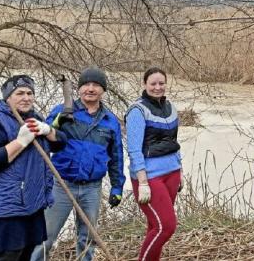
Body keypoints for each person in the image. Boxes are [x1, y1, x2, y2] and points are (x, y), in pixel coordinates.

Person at [31, 67, 125, 261]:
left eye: (96, 85)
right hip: (62, 185)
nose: (90, 89)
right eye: (86, 85)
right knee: (45, 237)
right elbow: (42, 138)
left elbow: (116, 156)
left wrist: (117, 187)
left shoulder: (110, 121)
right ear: (79, 89)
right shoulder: (64, 110)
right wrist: (57, 122)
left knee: (88, 238)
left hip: (92, 189)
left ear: (103, 90)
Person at [0, 75, 67, 261]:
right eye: (19, 93)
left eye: (29, 93)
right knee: (8, 255)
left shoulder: (35, 118)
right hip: (7, 205)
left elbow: (60, 144)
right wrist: (20, 142)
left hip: (33, 203)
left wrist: (48, 130)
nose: (26, 97)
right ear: (7, 97)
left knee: (28, 252)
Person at [125, 67, 182, 261]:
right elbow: (133, 149)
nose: (157, 87)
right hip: (150, 177)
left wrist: (179, 169)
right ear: (145, 85)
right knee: (166, 226)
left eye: (161, 83)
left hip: (172, 173)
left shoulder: (171, 108)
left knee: (155, 226)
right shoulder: (137, 111)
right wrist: (142, 182)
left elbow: (174, 142)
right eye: (153, 84)